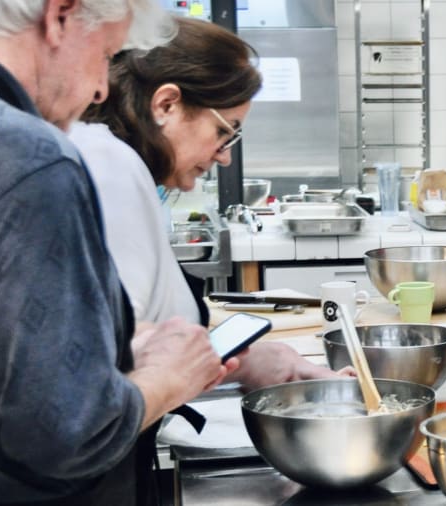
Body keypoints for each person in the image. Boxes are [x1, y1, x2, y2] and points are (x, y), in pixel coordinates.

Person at [0, 1, 239, 505]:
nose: (101, 89)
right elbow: (65, 431)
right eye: (107, 52)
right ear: (60, 16)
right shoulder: (29, 156)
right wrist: (167, 377)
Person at [73, 17, 346, 392]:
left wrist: (262, 362)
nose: (224, 158)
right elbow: (118, 364)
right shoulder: (112, 167)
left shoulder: (116, 163)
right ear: (166, 104)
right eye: (223, 131)